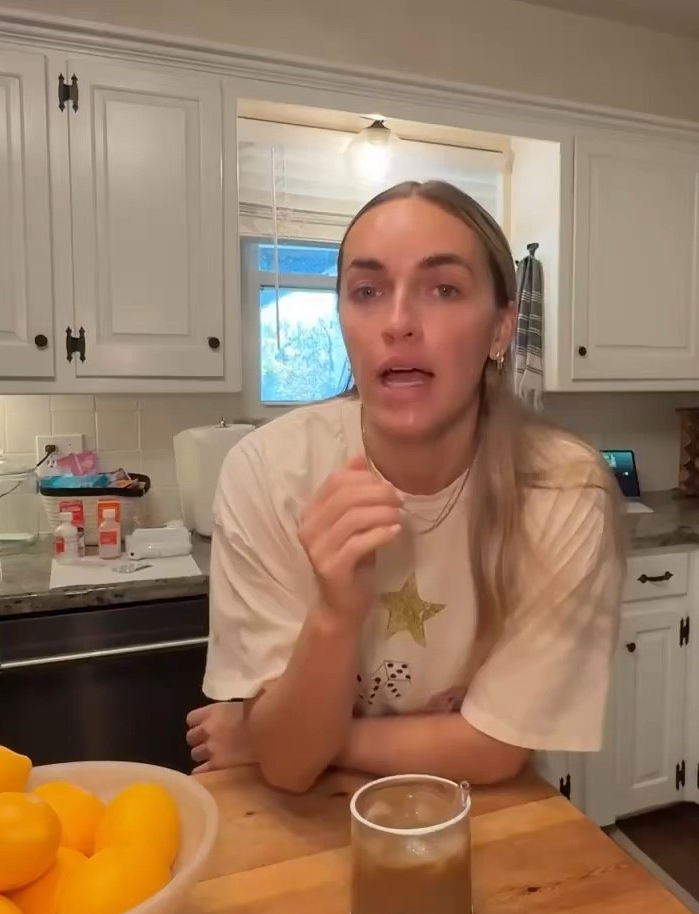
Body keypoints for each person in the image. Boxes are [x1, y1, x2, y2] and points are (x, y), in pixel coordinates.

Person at [186, 180, 623, 791]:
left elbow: (498, 750)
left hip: (486, 814)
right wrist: (336, 613)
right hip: (308, 825)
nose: (398, 323)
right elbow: (288, 768)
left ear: (501, 328)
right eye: (367, 292)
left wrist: (266, 736)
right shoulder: (266, 473)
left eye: (444, 289)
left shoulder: (563, 490)